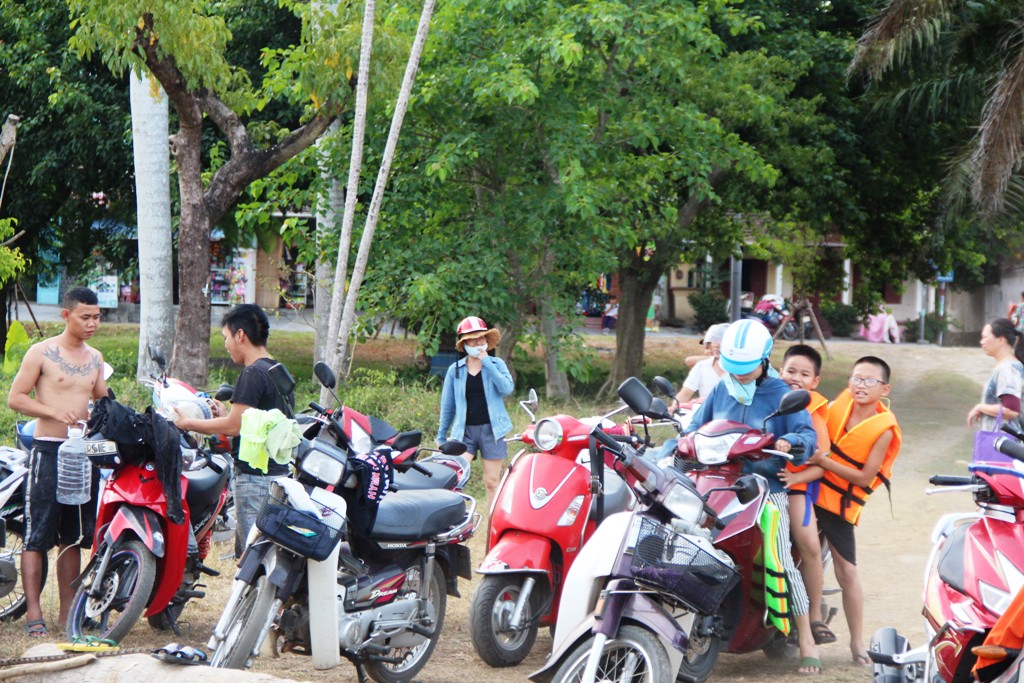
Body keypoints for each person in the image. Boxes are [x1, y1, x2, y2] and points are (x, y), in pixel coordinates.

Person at [683, 320, 821, 674]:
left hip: (764, 490)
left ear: (764, 360)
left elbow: (807, 433)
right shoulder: (720, 390)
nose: (739, 377)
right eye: (734, 370)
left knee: (781, 561)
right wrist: (679, 446)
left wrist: (793, 443)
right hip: (715, 485)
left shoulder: (779, 392)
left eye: (746, 370)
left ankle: (806, 639)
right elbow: (695, 428)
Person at [8, 287, 108, 637]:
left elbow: (104, 403)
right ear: (66, 315)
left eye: (97, 316)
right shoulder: (42, 352)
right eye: (85, 317)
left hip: (82, 458)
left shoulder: (95, 358)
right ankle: (34, 612)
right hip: (48, 450)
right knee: (37, 535)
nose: (92, 323)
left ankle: (69, 613)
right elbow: (15, 398)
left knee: (74, 537)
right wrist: (53, 412)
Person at [173, 304, 293, 558]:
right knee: (268, 552)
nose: (226, 345)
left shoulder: (252, 373)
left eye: (226, 338)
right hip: (277, 476)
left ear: (240, 335)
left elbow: (234, 427)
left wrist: (188, 423)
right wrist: (225, 415)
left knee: (252, 557)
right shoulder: (276, 369)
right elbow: (255, 426)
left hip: (254, 479)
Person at [807, 356, 902, 667]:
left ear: (884, 388)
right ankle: (807, 624)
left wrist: (823, 462)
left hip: (837, 503)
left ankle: (857, 642)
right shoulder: (841, 402)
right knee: (794, 557)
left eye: (869, 381)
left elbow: (864, 477)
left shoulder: (884, 429)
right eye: (856, 378)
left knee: (846, 571)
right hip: (807, 489)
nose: (860, 385)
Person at [776, 344, 836, 647]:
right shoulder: (768, 399)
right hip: (762, 479)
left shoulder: (813, 413)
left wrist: (797, 476)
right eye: (790, 371)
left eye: (804, 374)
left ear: (815, 382)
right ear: (779, 371)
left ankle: (814, 615)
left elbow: (822, 464)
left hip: (796, 485)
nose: (795, 378)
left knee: (809, 544)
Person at [437, 317, 514, 513]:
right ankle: (454, 520)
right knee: (454, 477)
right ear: (464, 344)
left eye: (481, 339)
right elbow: (448, 406)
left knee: (492, 481)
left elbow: (507, 388)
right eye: (472, 340)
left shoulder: (496, 363)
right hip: (465, 432)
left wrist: (486, 362)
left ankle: (494, 525)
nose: (478, 343)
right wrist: (441, 435)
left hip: (492, 430)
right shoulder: (455, 370)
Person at [967, 318, 1024, 432]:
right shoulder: (1005, 367)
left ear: (1001, 340)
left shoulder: (1008, 369)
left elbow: (1011, 410)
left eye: (985, 337)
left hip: (1005, 445)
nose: (982, 342)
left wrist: (981, 407)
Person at [673, 322, 728, 406]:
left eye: (721, 341)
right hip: (707, 415)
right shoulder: (702, 366)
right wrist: (673, 409)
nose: (716, 345)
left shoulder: (741, 368)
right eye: (714, 341)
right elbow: (685, 394)